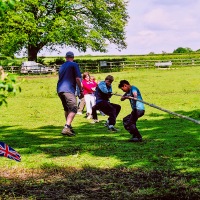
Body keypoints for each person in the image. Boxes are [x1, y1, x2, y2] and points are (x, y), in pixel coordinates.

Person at [57, 51, 83, 136]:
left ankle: (69, 127)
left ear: (66, 57)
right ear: (73, 57)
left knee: (67, 109)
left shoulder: (62, 66)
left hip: (60, 89)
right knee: (74, 108)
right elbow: (78, 79)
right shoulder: (74, 65)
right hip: (68, 89)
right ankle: (67, 127)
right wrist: (81, 90)